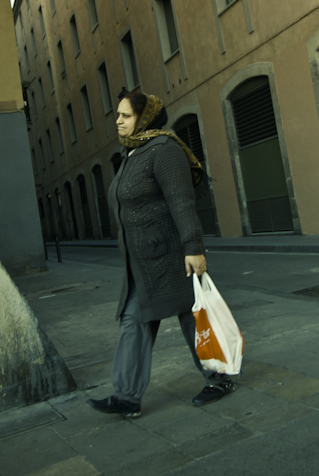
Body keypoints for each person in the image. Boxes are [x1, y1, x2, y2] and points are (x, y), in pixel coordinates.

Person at [88, 89, 234, 418]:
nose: (118, 121)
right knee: (133, 321)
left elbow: (181, 201)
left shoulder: (164, 150)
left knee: (195, 318)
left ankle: (220, 377)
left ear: (145, 117)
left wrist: (193, 247)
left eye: (126, 115)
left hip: (171, 255)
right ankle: (126, 396)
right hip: (140, 263)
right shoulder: (133, 152)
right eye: (118, 115)